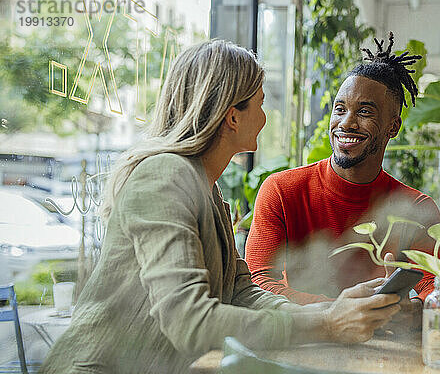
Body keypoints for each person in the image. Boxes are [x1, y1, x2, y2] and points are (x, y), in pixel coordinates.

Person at [39, 40, 401, 374]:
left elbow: (241, 292)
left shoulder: (207, 190)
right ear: (233, 116)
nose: (265, 116)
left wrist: (335, 309)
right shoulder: (164, 177)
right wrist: (325, 324)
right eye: (260, 102)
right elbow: (190, 322)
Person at [245, 32, 440, 306]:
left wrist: (416, 310)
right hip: (305, 341)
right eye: (339, 109)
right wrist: (344, 310)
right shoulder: (282, 191)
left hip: (384, 343)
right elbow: (258, 283)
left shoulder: (416, 208)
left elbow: (438, 291)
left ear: (393, 126)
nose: (346, 123)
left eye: (365, 112)